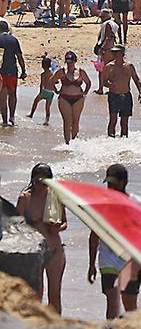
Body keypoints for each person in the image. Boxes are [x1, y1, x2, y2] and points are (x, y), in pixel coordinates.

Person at [88, 163, 141, 319]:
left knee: (130, 305)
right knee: (112, 300)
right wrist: (91, 264)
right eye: (108, 184)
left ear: (124, 183)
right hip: (107, 259)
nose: (110, 187)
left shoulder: (138, 204)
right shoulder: (101, 205)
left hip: (130, 261)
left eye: (114, 184)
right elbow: (94, 235)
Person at [17, 162, 68, 312]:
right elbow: (16, 225)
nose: (40, 185)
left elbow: (65, 222)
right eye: (37, 181)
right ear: (32, 180)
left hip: (55, 250)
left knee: (55, 295)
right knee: (36, 294)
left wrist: (58, 227)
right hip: (34, 252)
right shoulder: (25, 198)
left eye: (44, 182)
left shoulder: (56, 197)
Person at [101, 46, 141, 137]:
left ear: (122, 54)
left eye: (116, 53)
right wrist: (110, 85)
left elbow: (136, 79)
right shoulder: (109, 66)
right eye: (113, 53)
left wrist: (140, 92)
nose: (114, 54)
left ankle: (124, 144)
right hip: (113, 96)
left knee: (124, 122)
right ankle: (110, 141)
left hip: (126, 96)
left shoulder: (129, 66)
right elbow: (104, 82)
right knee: (113, 120)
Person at [53, 52, 89, 144]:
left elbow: (88, 83)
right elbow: (51, 81)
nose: (69, 64)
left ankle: (74, 142)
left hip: (78, 98)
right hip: (64, 98)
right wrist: (56, 90)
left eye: (71, 62)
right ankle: (67, 143)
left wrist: (85, 93)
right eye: (68, 62)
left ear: (75, 61)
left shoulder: (81, 72)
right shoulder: (62, 71)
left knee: (76, 121)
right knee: (67, 121)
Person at [0, 21, 25, 127]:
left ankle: (5, 121)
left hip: (1, 72)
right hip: (12, 71)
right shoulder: (14, 40)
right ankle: (12, 117)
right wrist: (23, 70)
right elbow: (19, 56)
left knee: (2, 97)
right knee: (12, 94)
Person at [27, 51, 55, 124]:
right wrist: (56, 90)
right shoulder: (52, 74)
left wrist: (40, 92)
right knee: (47, 108)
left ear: (42, 66)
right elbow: (54, 82)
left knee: (36, 101)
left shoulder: (43, 74)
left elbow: (41, 84)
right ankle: (47, 120)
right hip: (51, 93)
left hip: (44, 91)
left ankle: (31, 114)